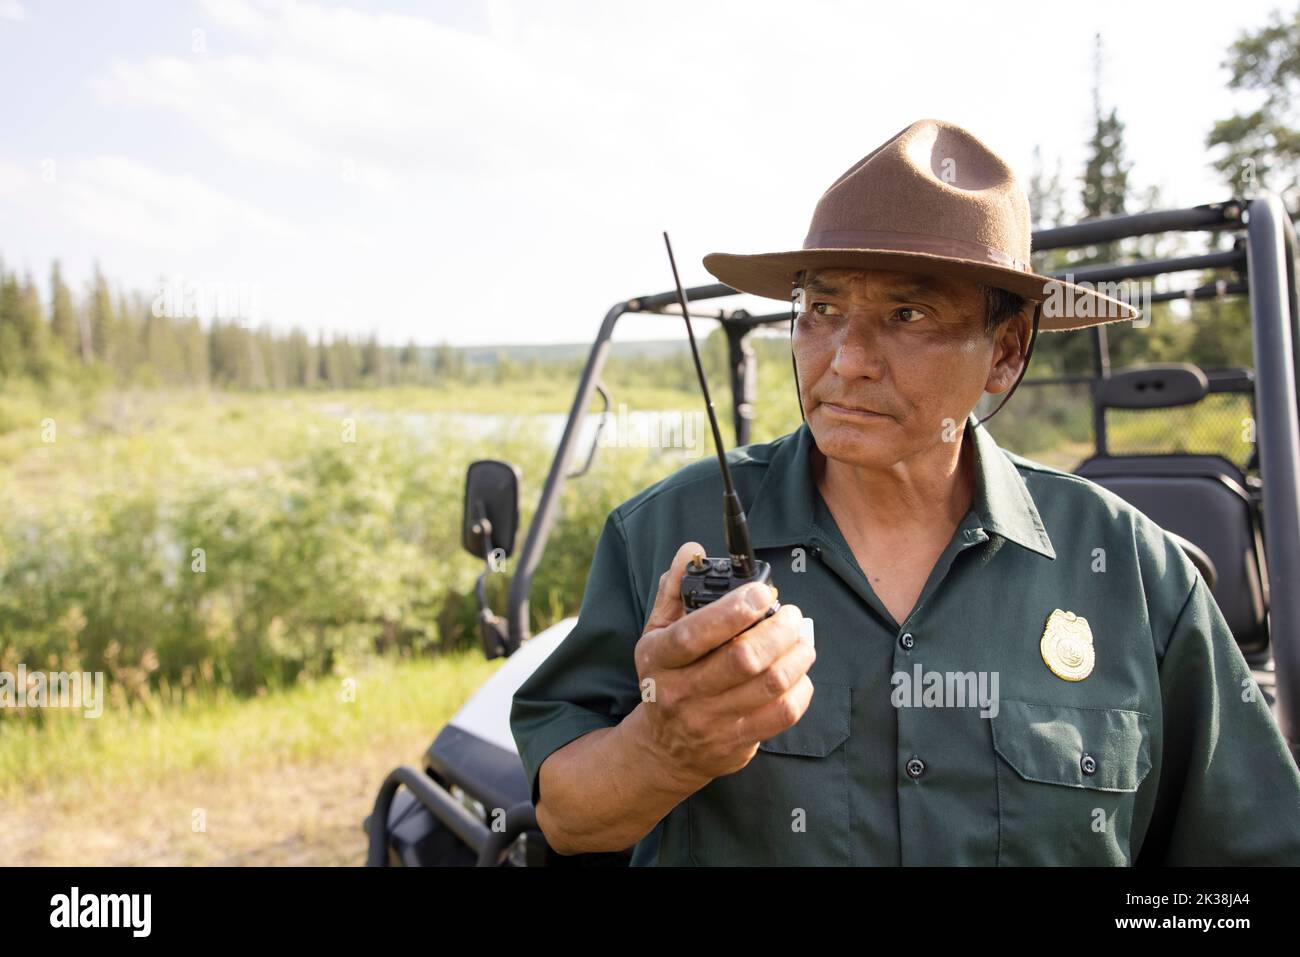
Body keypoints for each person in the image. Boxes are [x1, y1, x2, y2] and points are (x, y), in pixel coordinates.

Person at [510, 118, 1300, 865]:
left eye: (907, 312)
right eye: (821, 308)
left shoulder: (1132, 572)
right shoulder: (666, 536)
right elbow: (563, 817)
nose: (847, 358)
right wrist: (663, 746)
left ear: (1005, 352)